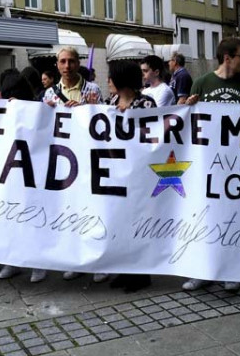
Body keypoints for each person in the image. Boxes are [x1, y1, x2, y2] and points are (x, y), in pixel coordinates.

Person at [184, 37, 240, 292]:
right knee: (203, 216)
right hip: (207, 163)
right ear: (228, 57)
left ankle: (230, 270)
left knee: (233, 217)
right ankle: (202, 270)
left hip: (236, 163)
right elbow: (187, 122)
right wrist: (187, 106)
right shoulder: (202, 83)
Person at [41, 46, 103, 283]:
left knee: (93, 210)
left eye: (71, 61)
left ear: (79, 63)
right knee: (69, 211)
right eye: (63, 62)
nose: (67, 66)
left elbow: (105, 119)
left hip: (90, 157)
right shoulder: (49, 94)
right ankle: (74, 260)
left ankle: (98, 262)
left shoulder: (93, 90)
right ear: (57, 65)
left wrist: (87, 110)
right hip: (65, 161)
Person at [102, 61, 158, 293]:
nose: (109, 81)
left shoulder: (146, 103)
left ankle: (140, 273)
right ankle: (124, 269)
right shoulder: (111, 103)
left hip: (138, 173)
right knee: (120, 222)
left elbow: (154, 133)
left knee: (136, 222)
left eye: (112, 77)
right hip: (116, 172)